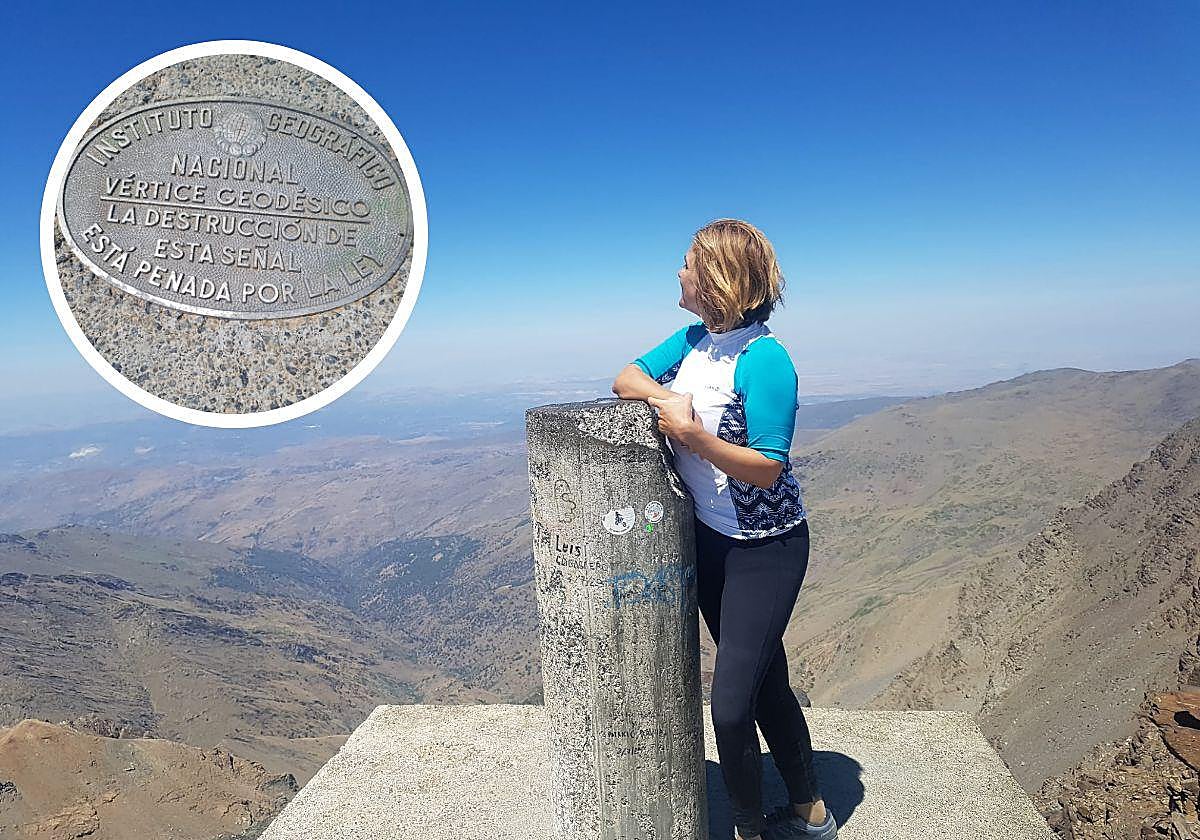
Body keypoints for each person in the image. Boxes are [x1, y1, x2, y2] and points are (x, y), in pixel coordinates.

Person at [611, 219, 837, 840]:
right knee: (765, 682)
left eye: (688, 264)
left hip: (766, 549)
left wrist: (693, 436)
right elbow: (626, 377)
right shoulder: (693, 341)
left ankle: (747, 829)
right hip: (711, 541)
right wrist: (666, 400)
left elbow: (767, 468)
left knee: (731, 706)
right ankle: (811, 812)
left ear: (717, 278)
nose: (679, 273)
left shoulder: (766, 360)